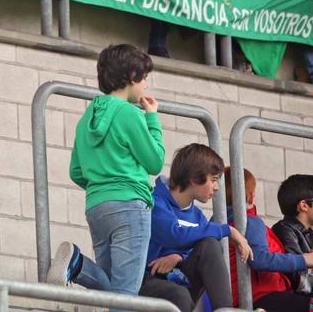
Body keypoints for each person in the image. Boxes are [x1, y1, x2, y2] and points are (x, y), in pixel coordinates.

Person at [46, 45, 164, 302]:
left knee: (110, 291)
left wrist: (102, 182)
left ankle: (77, 264)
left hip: (97, 206)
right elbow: (154, 162)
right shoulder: (129, 113)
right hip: (130, 205)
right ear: (132, 76)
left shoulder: (87, 117)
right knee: (126, 296)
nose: (145, 85)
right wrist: (153, 119)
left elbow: (76, 171)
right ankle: (76, 262)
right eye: (144, 79)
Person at [142, 144, 251, 311]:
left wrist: (179, 257)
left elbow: (192, 248)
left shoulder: (197, 216)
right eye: (213, 180)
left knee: (209, 243)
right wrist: (228, 230)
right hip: (149, 280)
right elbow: (174, 235)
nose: (217, 187)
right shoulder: (155, 202)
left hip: (181, 278)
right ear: (194, 178)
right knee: (179, 294)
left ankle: (224, 310)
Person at [222, 167, 313, 312]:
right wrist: (304, 260)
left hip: (241, 299)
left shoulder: (217, 224)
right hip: (262, 296)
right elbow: (259, 258)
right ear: (251, 196)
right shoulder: (250, 222)